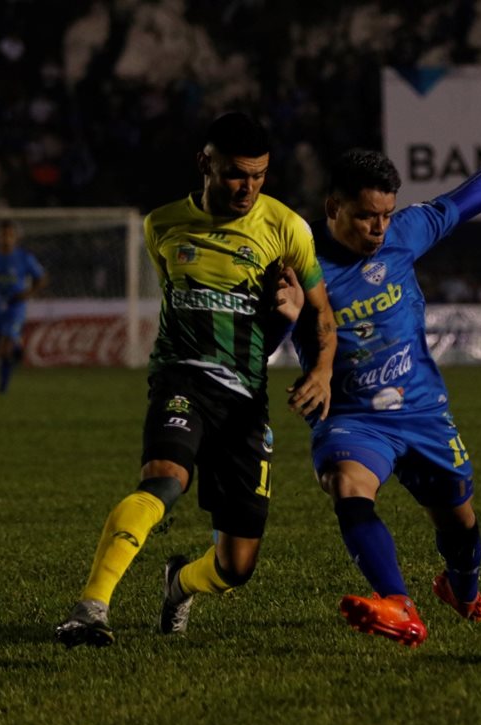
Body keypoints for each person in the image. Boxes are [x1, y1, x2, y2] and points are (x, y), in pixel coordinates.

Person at [291, 102, 481, 647]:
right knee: (347, 485)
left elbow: (473, 195)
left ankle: (462, 589)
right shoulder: (298, 260)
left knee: (459, 520)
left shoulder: (406, 233)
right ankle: (399, 603)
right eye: (366, 216)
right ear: (333, 206)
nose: (379, 228)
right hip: (353, 418)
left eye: (386, 214)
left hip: (424, 410)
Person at [54, 112, 337, 648]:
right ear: (205, 163)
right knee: (163, 480)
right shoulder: (161, 225)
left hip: (245, 402)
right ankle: (91, 608)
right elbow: (180, 307)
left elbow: (322, 316)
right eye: (235, 174)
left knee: (236, 567)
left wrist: (319, 369)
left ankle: (179, 583)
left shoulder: (287, 228)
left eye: (258, 176)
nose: (248, 188)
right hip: (180, 379)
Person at [0, 220, 48, 394]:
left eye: (10, 235)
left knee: (4, 348)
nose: (6, 238)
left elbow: (42, 278)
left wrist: (28, 294)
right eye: (3, 235)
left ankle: (3, 387)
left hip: (14, 307)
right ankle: (18, 350)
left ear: (16, 238)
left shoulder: (24, 258)